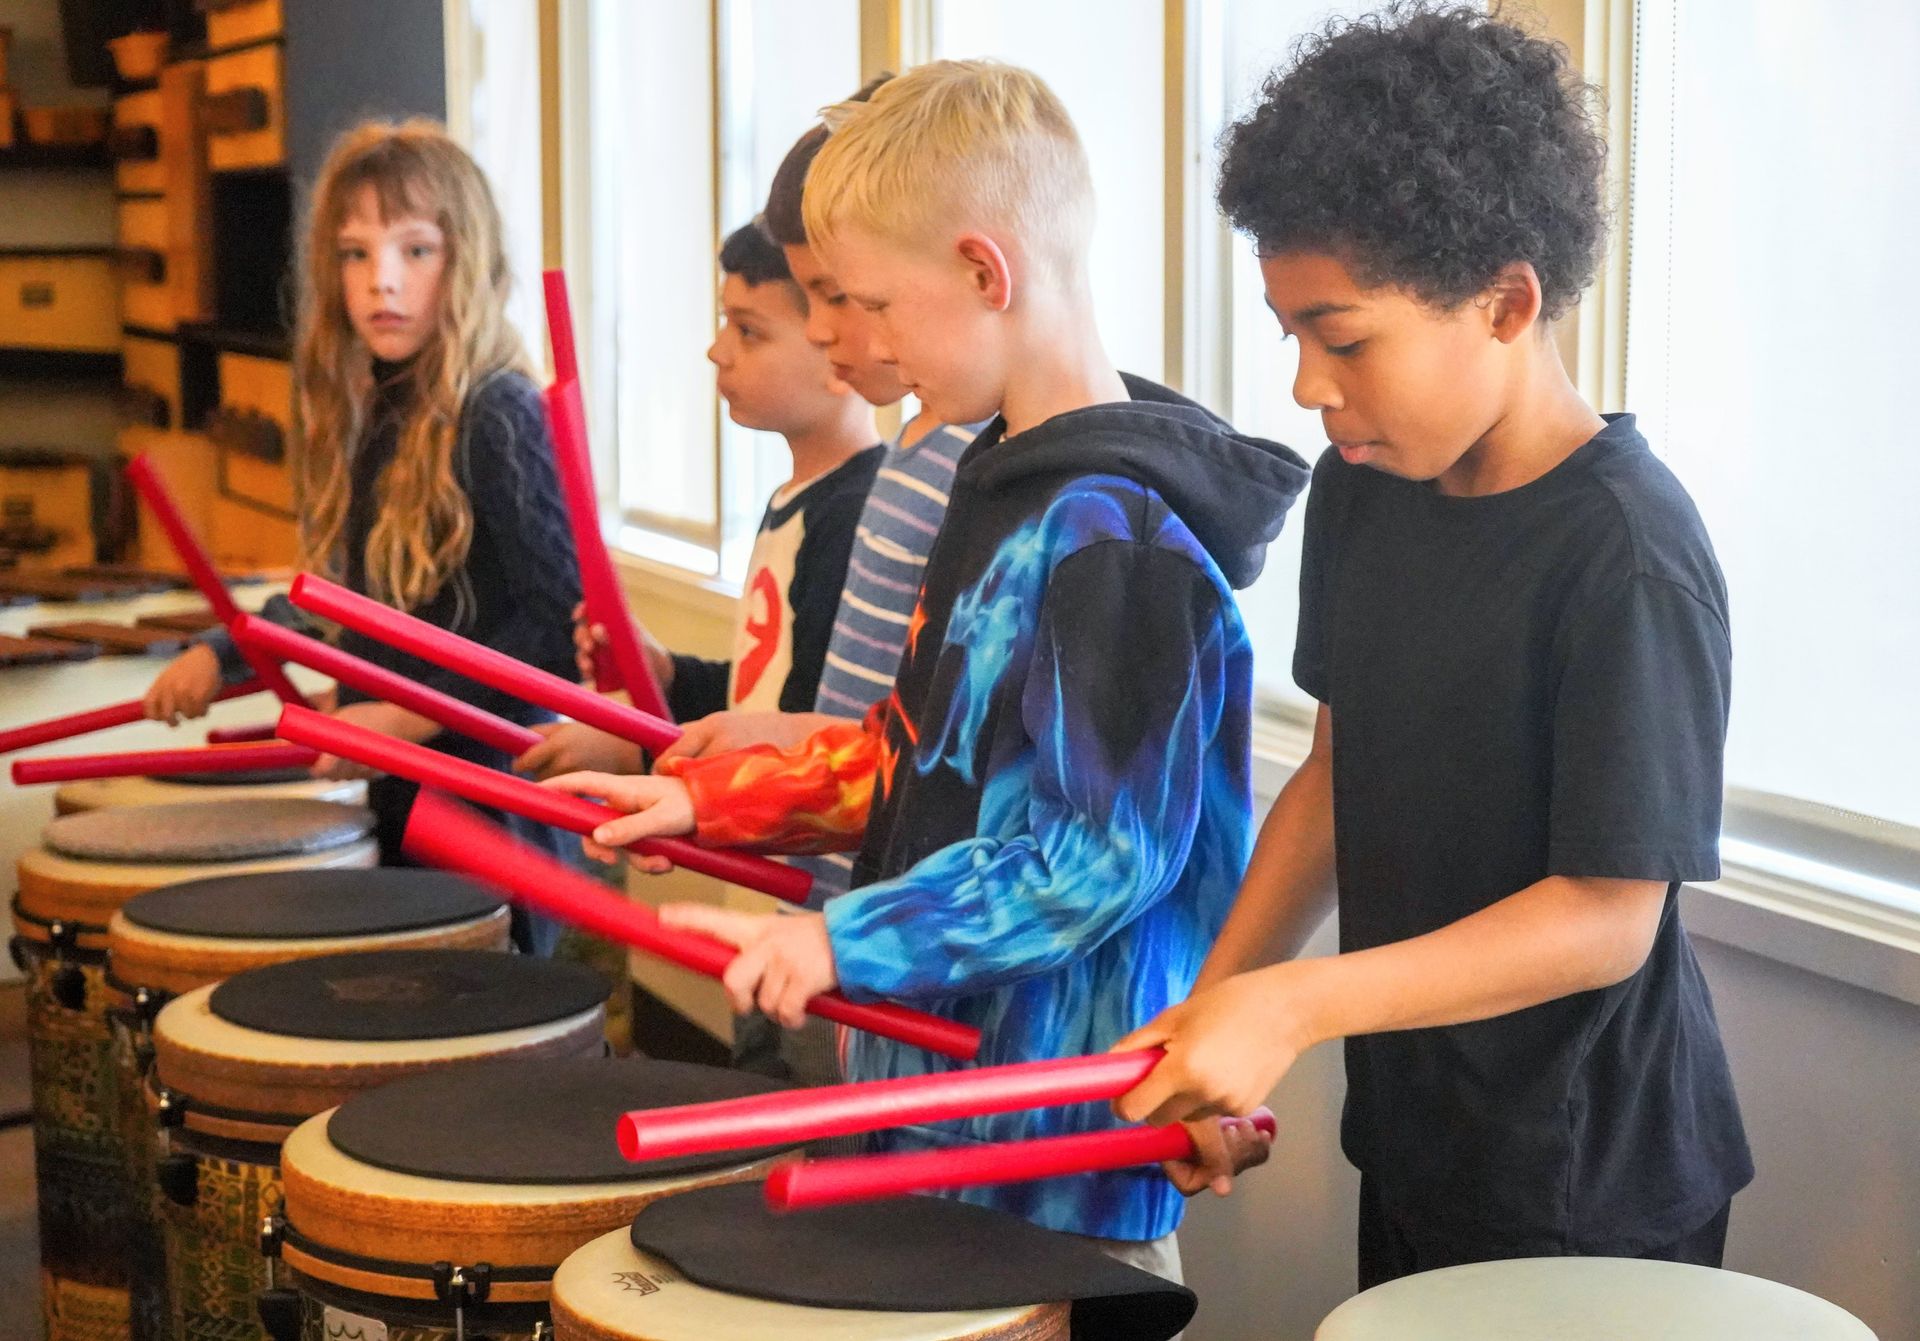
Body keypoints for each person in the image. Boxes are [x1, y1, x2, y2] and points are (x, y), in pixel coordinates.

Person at [545, 60, 1308, 1276]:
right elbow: (924, 760)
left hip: (1050, 1164)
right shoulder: (1000, 483)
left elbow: (1089, 858)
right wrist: (708, 801)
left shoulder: (1116, 546)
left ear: (983, 272)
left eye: (879, 305)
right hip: (936, 1109)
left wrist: (845, 943)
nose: (869, 345)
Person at [1109, 4, 1752, 1289]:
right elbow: (1342, 779)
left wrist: (1293, 1009)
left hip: (1588, 1186)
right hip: (1417, 1137)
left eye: (1342, 338)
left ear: (1507, 303)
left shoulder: (1627, 555)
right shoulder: (1368, 484)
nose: (1305, 383)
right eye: (1291, 333)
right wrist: (1212, 1015)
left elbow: (1606, 919)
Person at [142, 121, 581, 953]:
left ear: (469, 261)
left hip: (494, 822)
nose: (382, 281)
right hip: (403, 803)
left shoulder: (498, 414)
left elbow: (562, 630)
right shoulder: (378, 409)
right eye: (355, 254)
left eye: (416, 251)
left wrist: (403, 720)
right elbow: (348, 603)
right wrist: (223, 648)